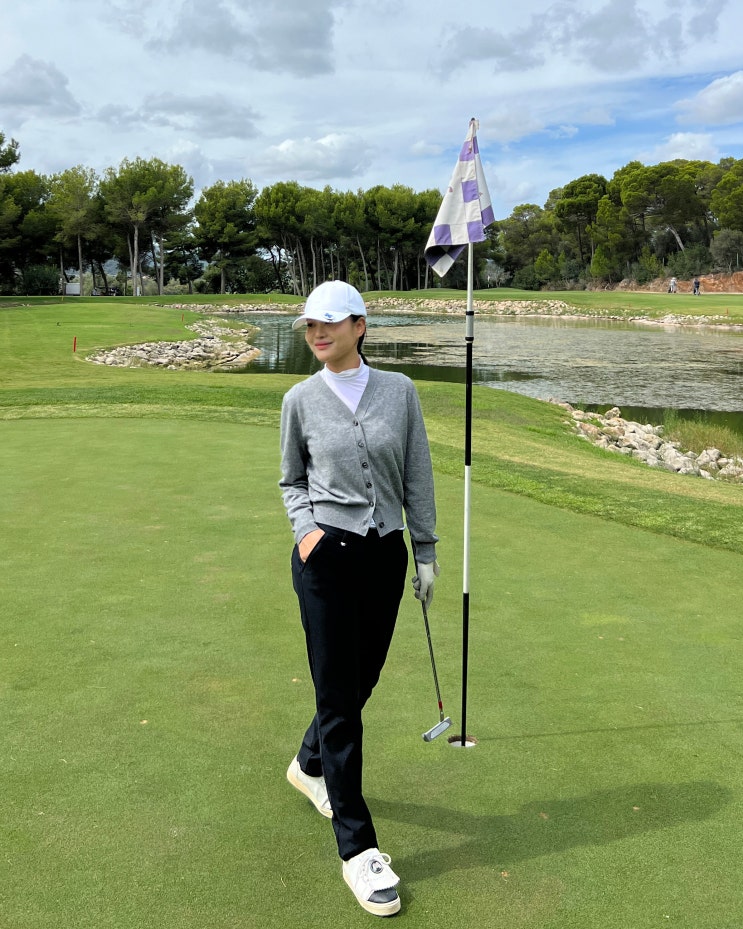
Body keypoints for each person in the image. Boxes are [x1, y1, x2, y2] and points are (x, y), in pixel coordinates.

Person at [279, 280, 439, 917]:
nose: (318, 333)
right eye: (310, 325)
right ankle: (359, 851)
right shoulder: (299, 399)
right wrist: (306, 532)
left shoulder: (400, 391)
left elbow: (418, 473)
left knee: (360, 681)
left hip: (384, 555)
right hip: (324, 558)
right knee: (340, 700)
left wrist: (424, 551)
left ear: (360, 326)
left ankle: (307, 763)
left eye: (330, 322)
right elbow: (292, 480)